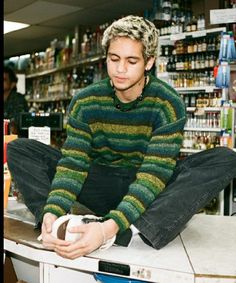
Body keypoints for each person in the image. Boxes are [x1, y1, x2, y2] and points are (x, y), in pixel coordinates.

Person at [7, 15, 236, 259]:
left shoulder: (167, 103)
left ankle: (130, 231)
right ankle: (56, 225)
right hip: (99, 179)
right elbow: (74, 165)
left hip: (149, 184)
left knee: (224, 159)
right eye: (114, 59)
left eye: (132, 61)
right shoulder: (86, 101)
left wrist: (109, 230)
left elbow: (154, 174)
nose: (120, 69)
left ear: (149, 62)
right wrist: (51, 211)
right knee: (19, 149)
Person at [4, 65, 29, 136]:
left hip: (15, 143)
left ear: (12, 84)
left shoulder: (18, 99)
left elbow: (14, 128)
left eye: (4, 79)